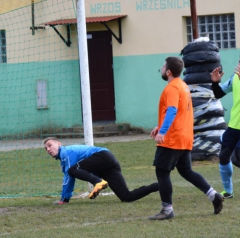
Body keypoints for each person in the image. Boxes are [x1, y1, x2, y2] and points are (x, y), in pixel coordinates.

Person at [149, 56, 224, 220]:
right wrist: (159, 126)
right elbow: (179, 111)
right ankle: (214, 196)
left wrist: (162, 132)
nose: (161, 69)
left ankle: (167, 210)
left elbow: (172, 111)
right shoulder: (183, 86)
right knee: (187, 171)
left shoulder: (171, 88)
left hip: (172, 139)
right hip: (185, 137)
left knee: (162, 172)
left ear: (168, 71)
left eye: (163, 66)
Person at [43, 137, 159, 204]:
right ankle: (158, 186)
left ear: (59, 143)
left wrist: (65, 199)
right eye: (46, 148)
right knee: (126, 197)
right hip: (108, 163)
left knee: (72, 170)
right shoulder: (63, 159)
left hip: (103, 156)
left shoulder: (67, 152)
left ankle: (98, 182)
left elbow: (69, 176)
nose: (48, 149)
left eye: (50, 145)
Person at [210, 63, 240, 199]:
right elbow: (218, 94)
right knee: (223, 156)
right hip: (234, 126)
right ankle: (228, 192)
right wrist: (215, 83)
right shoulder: (235, 78)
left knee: (237, 158)